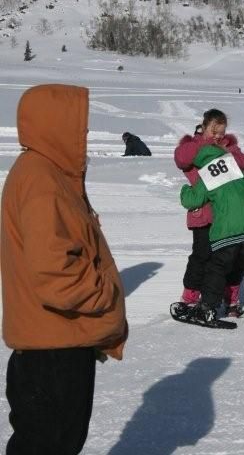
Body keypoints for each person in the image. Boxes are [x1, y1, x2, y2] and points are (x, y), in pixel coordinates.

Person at [0, 84, 128, 455]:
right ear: (55, 125)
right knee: (50, 445)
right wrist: (105, 295)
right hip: (53, 350)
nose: (84, 136)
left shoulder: (45, 174)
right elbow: (55, 272)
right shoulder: (42, 181)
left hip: (56, 342)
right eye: (79, 126)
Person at [180, 143, 244, 327]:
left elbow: (193, 200)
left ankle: (207, 307)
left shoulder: (208, 172)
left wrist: (185, 189)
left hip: (226, 232)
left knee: (216, 269)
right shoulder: (235, 166)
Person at [174, 109, 244, 316]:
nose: (217, 136)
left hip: (227, 215)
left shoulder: (229, 147)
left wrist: (227, 153)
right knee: (202, 255)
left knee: (232, 259)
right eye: (213, 131)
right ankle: (190, 298)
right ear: (204, 126)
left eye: (221, 132)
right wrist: (207, 146)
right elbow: (181, 159)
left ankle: (231, 299)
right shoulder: (192, 146)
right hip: (203, 212)